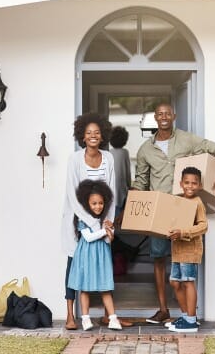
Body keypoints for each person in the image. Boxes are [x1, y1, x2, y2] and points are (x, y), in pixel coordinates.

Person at [132, 103, 215, 324]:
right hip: (159, 212)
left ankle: (189, 315)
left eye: (168, 113)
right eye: (160, 114)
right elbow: (140, 182)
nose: (164, 117)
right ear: (154, 118)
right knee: (159, 260)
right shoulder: (145, 150)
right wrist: (131, 210)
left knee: (185, 263)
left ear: (174, 116)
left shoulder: (186, 139)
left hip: (184, 211)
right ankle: (164, 309)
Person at [60, 113, 133, 330]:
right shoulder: (74, 159)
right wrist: (91, 224)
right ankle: (70, 315)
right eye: (88, 133)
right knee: (75, 265)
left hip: (102, 222)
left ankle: (106, 316)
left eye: (97, 133)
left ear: (103, 136)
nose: (93, 136)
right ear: (82, 136)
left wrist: (108, 224)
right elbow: (72, 196)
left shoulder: (108, 158)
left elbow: (110, 193)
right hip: (78, 221)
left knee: (102, 265)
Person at [67, 179, 121, 331]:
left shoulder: (104, 219)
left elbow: (108, 239)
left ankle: (113, 318)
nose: (98, 206)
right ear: (86, 203)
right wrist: (106, 231)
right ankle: (85, 318)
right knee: (85, 287)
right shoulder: (82, 219)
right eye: (94, 203)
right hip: (87, 255)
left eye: (101, 203)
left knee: (105, 287)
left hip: (101, 255)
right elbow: (89, 237)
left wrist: (110, 236)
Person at [164, 167, 208, 333]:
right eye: (187, 182)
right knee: (175, 282)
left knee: (188, 282)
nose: (190, 186)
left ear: (200, 185)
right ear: (181, 184)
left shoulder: (197, 203)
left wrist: (183, 232)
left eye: (194, 183)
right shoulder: (179, 201)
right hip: (177, 249)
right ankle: (186, 316)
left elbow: (204, 226)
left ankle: (191, 320)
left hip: (190, 250)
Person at [109, 126, 131, 217]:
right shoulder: (125, 152)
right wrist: (129, 186)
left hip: (111, 189)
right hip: (121, 189)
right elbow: (127, 173)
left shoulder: (109, 152)